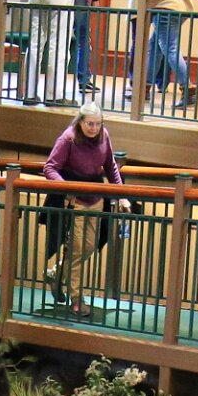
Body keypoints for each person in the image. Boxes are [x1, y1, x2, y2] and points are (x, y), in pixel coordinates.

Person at [40, 96, 125, 312]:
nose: (94, 128)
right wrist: (65, 187)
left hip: (96, 197)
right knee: (77, 250)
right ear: (80, 121)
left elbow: (111, 166)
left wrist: (122, 194)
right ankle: (77, 298)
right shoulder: (68, 138)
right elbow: (50, 167)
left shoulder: (104, 135)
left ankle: (56, 273)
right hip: (74, 200)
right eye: (90, 123)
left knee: (88, 247)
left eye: (98, 124)